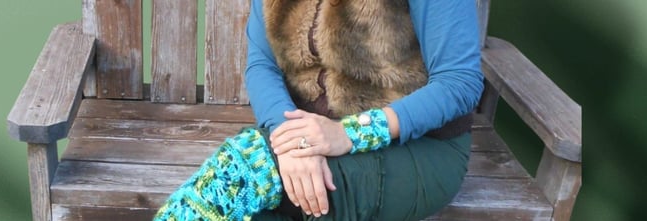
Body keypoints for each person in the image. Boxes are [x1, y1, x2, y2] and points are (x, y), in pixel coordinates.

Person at [153, 0, 483, 220]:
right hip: (303, 141)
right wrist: (293, 142)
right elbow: (262, 63)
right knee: (248, 203)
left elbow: (460, 82)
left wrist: (349, 133)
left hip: (413, 147)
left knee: (241, 173)